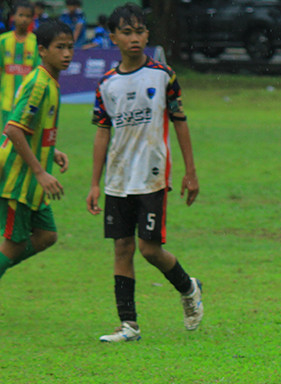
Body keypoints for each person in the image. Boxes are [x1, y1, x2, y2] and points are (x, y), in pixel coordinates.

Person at [86, 3, 202, 343]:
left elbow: (180, 123)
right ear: (113, 38)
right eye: (126, 32)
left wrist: (190, 172)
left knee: (149, 250)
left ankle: (188, 287)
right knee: (122, 248)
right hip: (117, 180)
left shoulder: (163, 76)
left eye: (139, 31)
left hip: (152, 177)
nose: (134, 38)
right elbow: (102, 133)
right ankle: (129, 325)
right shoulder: (106, 84)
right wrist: (94, 182)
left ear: (147, 35)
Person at [0, 19, 72, 285]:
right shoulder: (39, 84)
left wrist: (51, 150)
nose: (66, 54)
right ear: (42, 50)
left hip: (30, 181)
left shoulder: (51, 82)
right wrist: (41, 172)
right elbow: (13, 129)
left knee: (46, 235)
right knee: (11, 244)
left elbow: (31, 128)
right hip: (16, 180)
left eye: (70, 47)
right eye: (59, 47)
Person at [0, 1, 38, 127]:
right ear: (13, 17)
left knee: (25, 137)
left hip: (28, 100)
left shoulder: (36, 42)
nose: (24, 19)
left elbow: (38, 72)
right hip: (7, 100)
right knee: (6, 137)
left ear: (32, 19)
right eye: (21, 15)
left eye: (28, 16)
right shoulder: (3, 41)